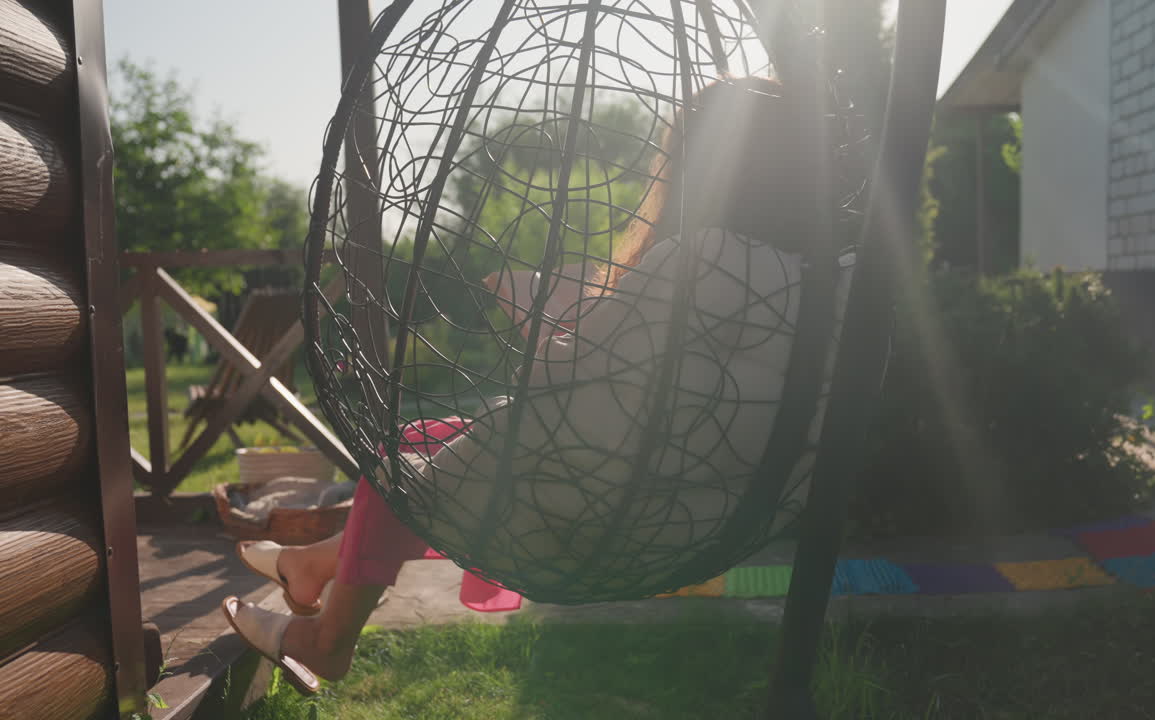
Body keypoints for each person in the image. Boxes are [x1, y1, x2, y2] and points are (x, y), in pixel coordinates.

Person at [223, 75, 853, 694]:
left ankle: (326, 640)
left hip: (607, 510)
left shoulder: (704, 261)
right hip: (711, 512)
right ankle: (311, 566)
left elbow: (565, 373)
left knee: (402, 466)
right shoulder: (834, 287)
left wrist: (554, 329)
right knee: (429, 442)